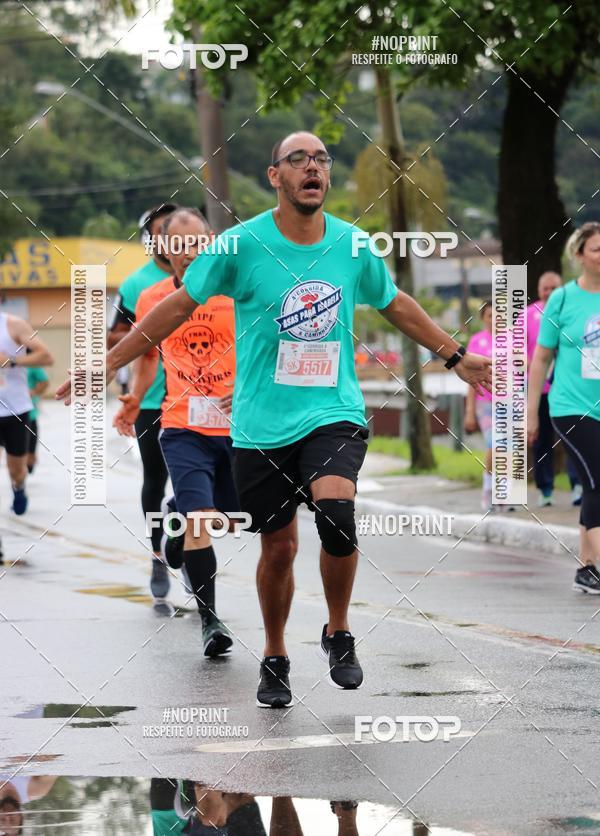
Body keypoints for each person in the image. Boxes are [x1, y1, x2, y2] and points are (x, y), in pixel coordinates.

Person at [58, 131, 491, 707]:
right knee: (279, 547)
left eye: (320, 160)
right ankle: (276, 652)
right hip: (260, 425)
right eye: (298, 160)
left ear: (326, 178)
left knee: (337, 513)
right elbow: (175, 308)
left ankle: (339, 631)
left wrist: (455, 357)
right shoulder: (238, 246)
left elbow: (396, 304)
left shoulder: (353, 245)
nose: (312, 167)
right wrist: (103, 363)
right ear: (275, 177)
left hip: (331, 410)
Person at [113, 208, 236, 657]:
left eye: (197, 243)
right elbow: (146, 355)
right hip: (181, 424)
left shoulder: (237, 293)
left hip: (237, 428)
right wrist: (133, 396)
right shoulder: (150, 298)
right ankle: (211, 622)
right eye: (178, 245)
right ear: (164, 250)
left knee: (230, 515)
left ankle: (175, 518)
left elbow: (262, 348)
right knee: (202, 519)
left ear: (212, 242)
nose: (188, 253)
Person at [108, 203, 178, 599]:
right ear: (148, 239)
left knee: (197, 482)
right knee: (156, 477)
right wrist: (148, 334)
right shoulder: (136, 285)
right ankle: (157, 554)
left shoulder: (202, 275)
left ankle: (182, 539)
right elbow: (115, 335)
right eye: (160, 230)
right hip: (151, 397)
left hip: (200, 396)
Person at [528, 222, 600, 594]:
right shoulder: (563, 299)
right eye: (597, 249)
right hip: (571, 407)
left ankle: (587, 569)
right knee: (597, 480)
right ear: (579, 256)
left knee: (592, 484)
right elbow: (540, 358)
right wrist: (530, 412)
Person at [526, 272, 582, 507]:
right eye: (545, 288)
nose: (549, 292)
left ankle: (578, 485)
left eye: (553, 288)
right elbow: (515, 348)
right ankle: (545, 489)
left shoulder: (574, 309)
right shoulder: (527, 315)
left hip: (570, 389)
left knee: (574, 438)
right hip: (541, 389)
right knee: (541, 440)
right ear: (539, 289)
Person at [0, 311, 53, 516]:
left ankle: (19, 487)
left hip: (16, 410)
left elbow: (46, 356)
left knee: (17, 470)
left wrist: (11, 361)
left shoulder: (14, 325)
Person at [465, 302, 495, 511]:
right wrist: (469, 412)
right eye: (490, 315)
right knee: (494, 443)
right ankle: (487, 489)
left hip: (510, 401)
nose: (495, 319)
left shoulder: (511, 340)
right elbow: (470, 379)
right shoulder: (476, 342)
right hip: (485, 403)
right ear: (483, 318)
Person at [25, 366, 49, 474]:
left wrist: (33, 393)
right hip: (6, 414)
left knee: (30, 453)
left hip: (29, 415)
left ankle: (29, 463)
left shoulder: (31, 363)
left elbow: (45, 382)